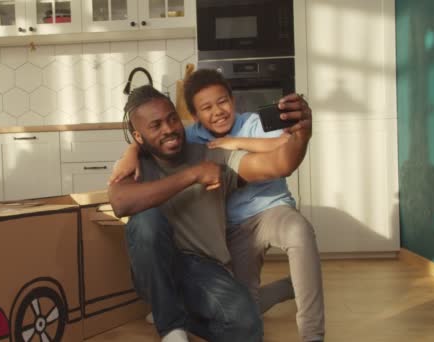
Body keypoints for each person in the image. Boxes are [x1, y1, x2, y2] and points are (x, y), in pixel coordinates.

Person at [111, 69, 324, 342]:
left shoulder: (212, 152)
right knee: (146, 221)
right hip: (158, 262)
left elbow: (280, 163)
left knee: (247, 324)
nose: (168, 129)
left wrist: (301, 136)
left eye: (172, 119)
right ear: (138, 138)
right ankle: (172, 330)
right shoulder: (137, 165)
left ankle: (177, 311)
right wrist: (192, 175)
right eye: (155, 126)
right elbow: (120, 202)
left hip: (204, 267)